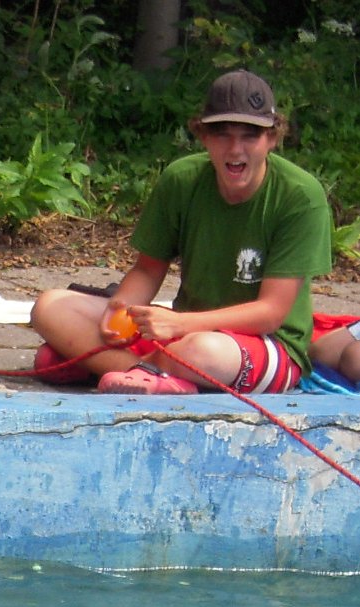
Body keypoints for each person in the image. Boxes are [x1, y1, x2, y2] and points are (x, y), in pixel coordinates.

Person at [30, 70, 331, 396]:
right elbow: (148, 270)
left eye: (249, 136)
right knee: (50, 306)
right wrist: (120, 309)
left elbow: (270, 313)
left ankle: (115, 366)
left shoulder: (300, 195)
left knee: (203, 351)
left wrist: (180, 324)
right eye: (222, 135)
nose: (235, 149)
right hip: (184, 329)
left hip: (264, 343)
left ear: (272, 138)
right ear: (203, 135)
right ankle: (153, 374)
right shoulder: (181, 178)